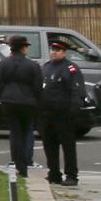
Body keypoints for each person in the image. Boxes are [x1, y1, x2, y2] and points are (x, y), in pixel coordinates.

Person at [0, 33, 44, 180]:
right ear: (23, 48)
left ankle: (17, 164)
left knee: (14, 133)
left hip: (9, 102)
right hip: (27, 103)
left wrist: (3, 95)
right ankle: (26, 161)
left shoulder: (3, 64)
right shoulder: (32, 65)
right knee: (27, 131)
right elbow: (38, 86)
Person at [39, 34, 89, 186]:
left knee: (68, 146)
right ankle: (54, 173)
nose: (54, 52)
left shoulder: (70, 68)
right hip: (47, 113)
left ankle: (71, 175)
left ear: (64, 52)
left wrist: (73, 110)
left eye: (57, 50)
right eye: (52, 50)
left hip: (63, 114)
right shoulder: (46, 67)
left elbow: (77, 91)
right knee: (49, 145)